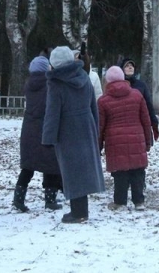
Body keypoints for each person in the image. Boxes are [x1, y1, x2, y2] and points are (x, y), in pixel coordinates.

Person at [42, 46, 105, 223]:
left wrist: (48, 138)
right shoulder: (84, 76)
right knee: (83, 170)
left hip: (67, 129)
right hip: (86, 125)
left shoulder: (56, 83)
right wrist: (95, 128)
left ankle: (78, 213)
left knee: (72, 170)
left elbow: (52, 113)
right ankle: (81, 210)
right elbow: (93, 105)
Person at [12, 56, 63, 213]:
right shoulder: (51, 84)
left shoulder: (29, 85)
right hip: (46, 128)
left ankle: (18, 200)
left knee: (28, 167)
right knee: (51, 165)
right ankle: (50, 200)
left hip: (29, 129)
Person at [98, 66, 153, 211]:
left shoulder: (103, 101)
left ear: (107, 81)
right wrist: (148, 141)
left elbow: (100, 127)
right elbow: (146, 120)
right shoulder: (137, 95)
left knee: (119, 172)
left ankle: (120, 202)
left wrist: (98, 146)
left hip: (115, 140)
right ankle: (139, 201)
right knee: (138, 170)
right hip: (137, 137)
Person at [119, 58, 159, 142]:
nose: (130, 67)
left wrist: (154, 122)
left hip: (138, 121)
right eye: (127, 66)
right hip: (122, 122)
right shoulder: (118, 85)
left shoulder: (141, 85)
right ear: (122, 69)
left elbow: (148, 105)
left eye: (131, 66)